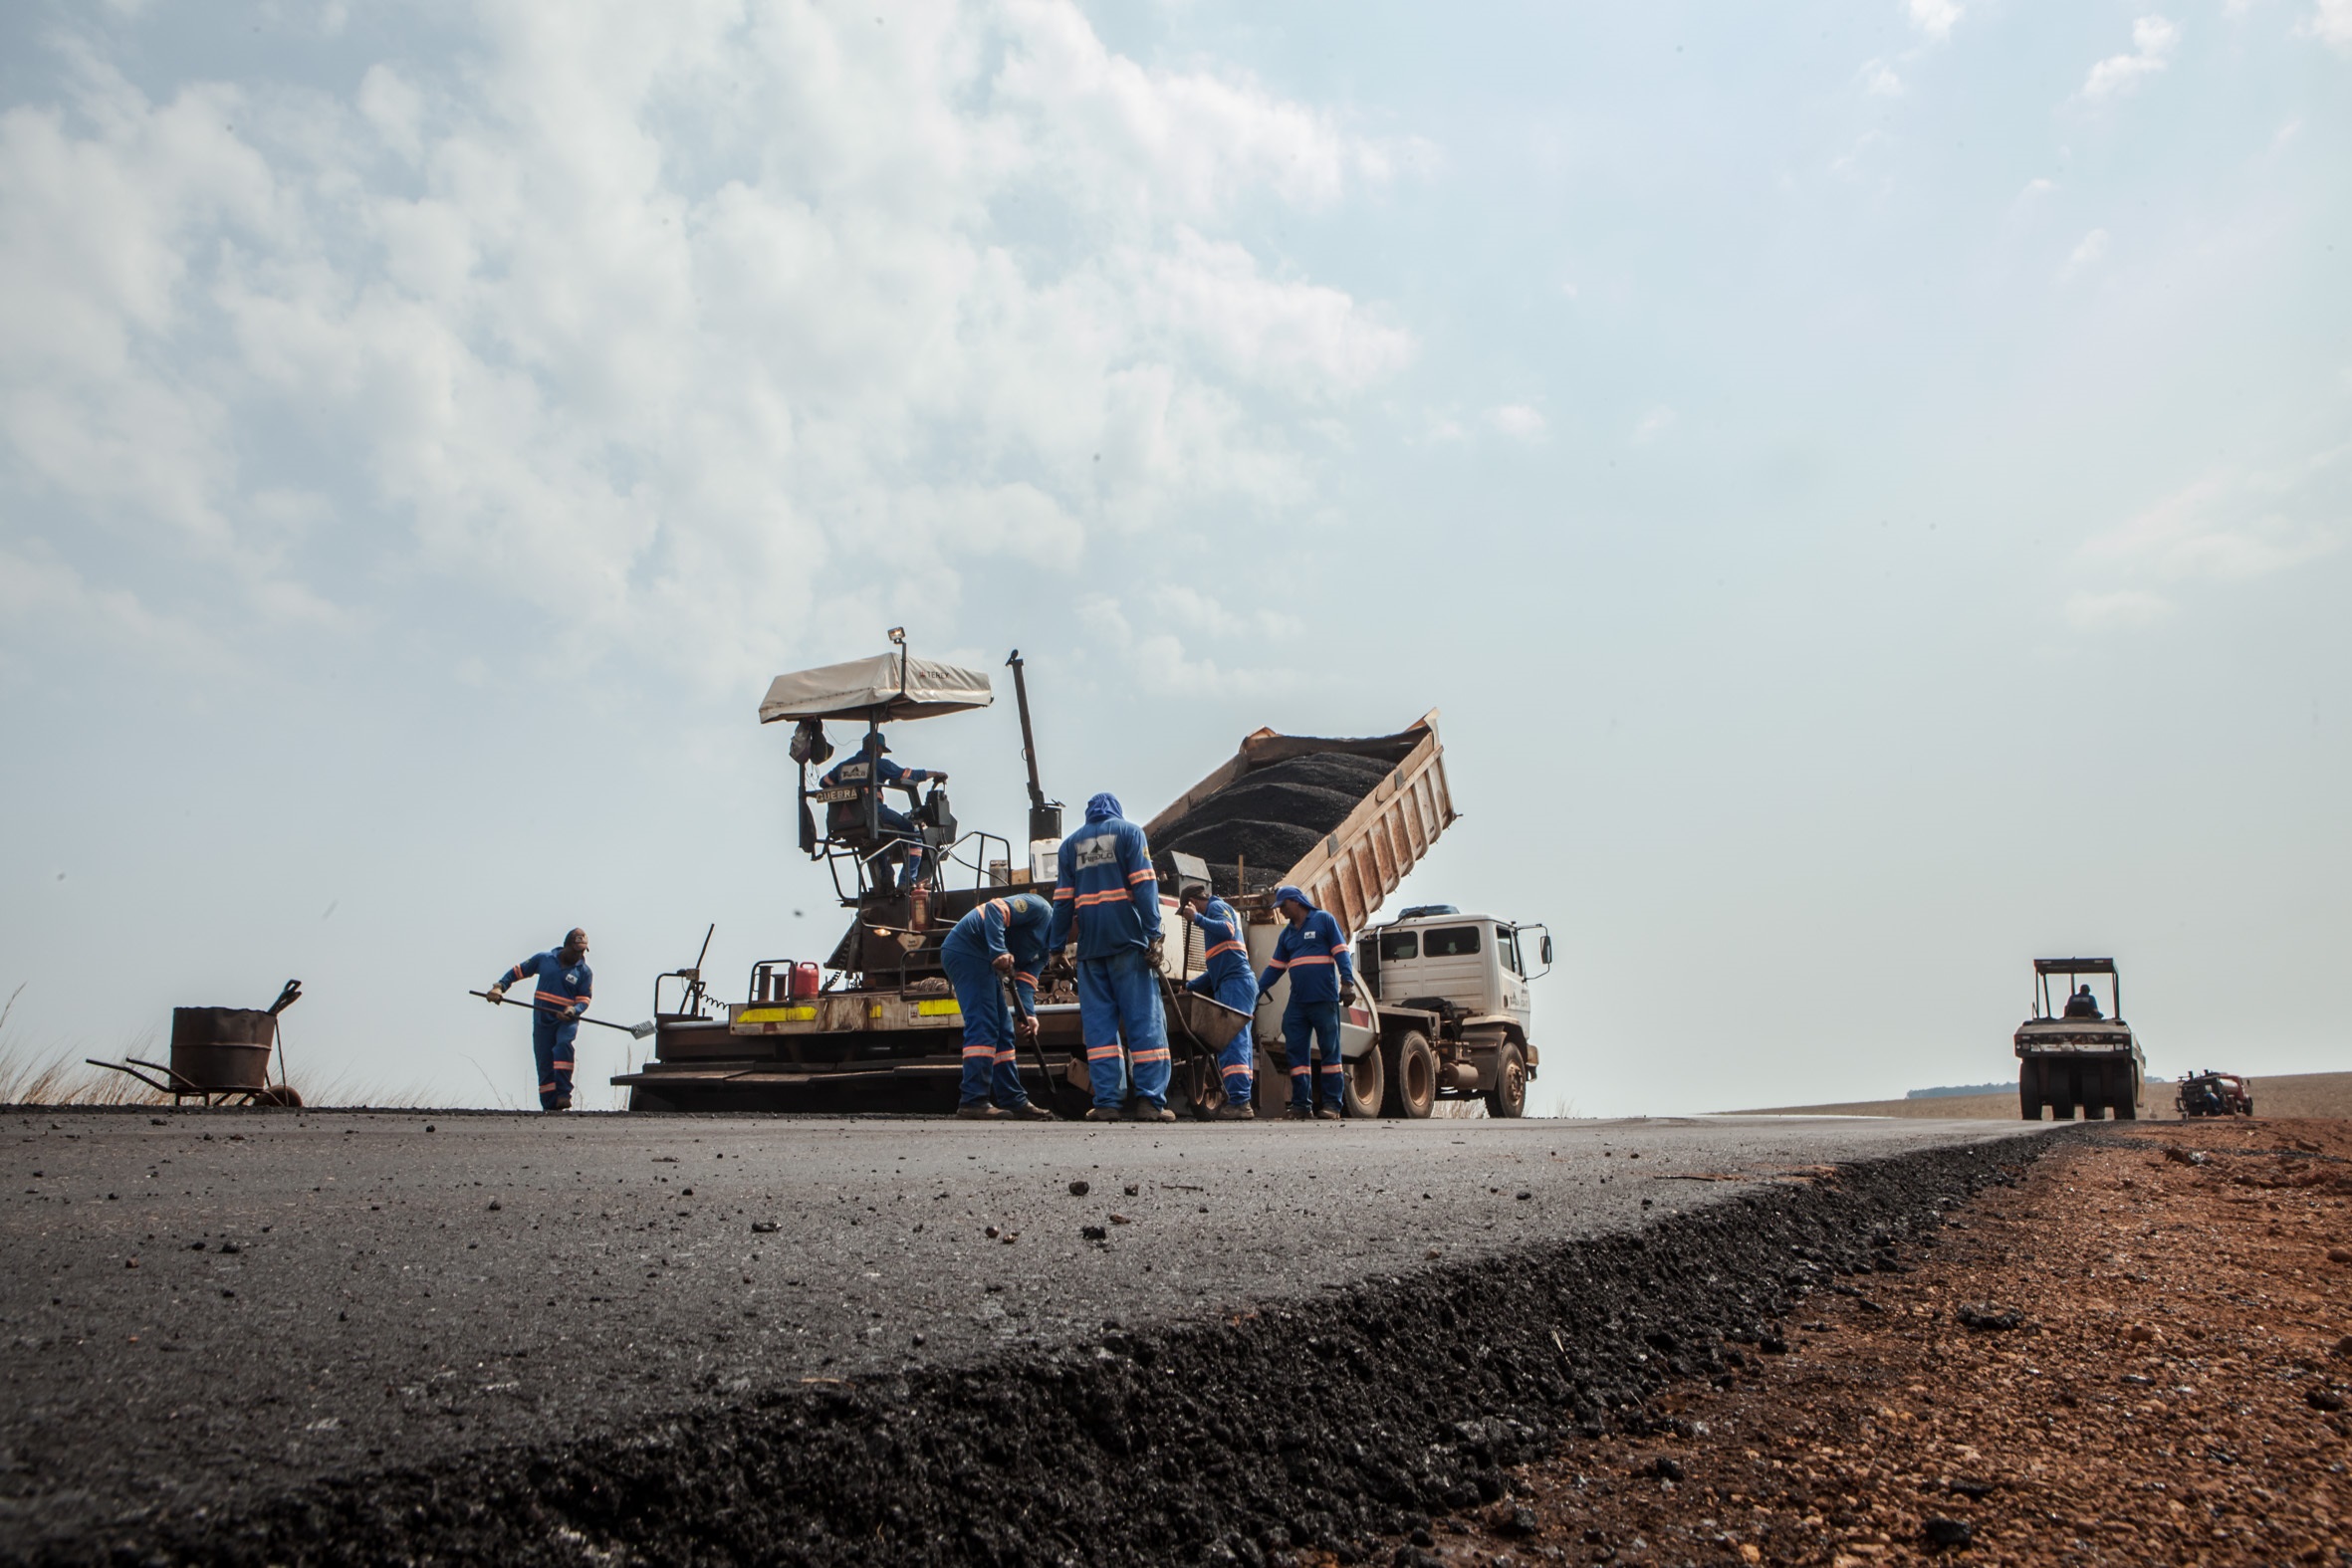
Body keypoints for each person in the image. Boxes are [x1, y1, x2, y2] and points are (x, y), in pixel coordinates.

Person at [1048, 792, 1173, 1122]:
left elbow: (1061, 902)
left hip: (1091, 952)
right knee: (1144, 1023)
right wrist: (1155, 935)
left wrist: (1056, 948)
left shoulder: (1069, 846)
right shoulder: (1130, 834)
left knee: (1100, 1029)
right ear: (1116, 811)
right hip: (1129, 946)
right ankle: (1149, 1102)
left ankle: (1106, 1103)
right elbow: (1145, 887)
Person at [939, 892, 1058, 1121]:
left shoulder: (1046, 951)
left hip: (984, 961)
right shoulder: (1040, 909)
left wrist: (1029, 1016)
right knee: (984, 1024)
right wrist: (999, 951)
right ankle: (973, 1100)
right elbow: (994, 909)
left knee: (1004, 1030)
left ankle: (1013, 1099)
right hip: (966, 949)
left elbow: (1025, 984)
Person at [1258, 886, 1357, 1120]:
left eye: (1282, 906)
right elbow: (1275, 968)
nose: (1280, 911)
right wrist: (1257, 990)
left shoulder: (1324, 920)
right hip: (1299, 1001)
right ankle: (1302, 1105)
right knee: (1295, 1050)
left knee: (1330, 1051)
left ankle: (1333, 1105)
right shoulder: (1287, 934)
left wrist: (1348, 982)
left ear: (1295, 902)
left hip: (1324, 999)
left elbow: (1342, 952)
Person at [819, 735, 947, 889]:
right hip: (874, 812)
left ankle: (886, 882)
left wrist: (847, 789)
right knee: (914, 833)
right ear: (878, 748)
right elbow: (908, 774)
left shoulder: (844, 766)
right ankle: (907, 881)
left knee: (880, 839)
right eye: (881, 750)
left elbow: (824, 782)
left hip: (845, 820)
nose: (881, 753)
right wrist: (935, 774)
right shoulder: (878, 764)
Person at [1178, 878, 1258, 1119]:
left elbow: (1227, 929)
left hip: (1236, 983)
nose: (1185, 916)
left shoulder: (1216, 907)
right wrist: (1189, 988)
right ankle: (1240, 1099)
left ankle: (1241, 1102)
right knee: (1234, 1041)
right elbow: (1214, 973)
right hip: (1228, 983)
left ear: (1192, 903)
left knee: (1232, 1040)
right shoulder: (1211, 919)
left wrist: (1197, 919)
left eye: (1185, 911)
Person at [487, 929, 592, 1112]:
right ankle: (550, 1106)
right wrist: (499, 987)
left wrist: (573, 1010)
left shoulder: (584, 971)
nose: (579, 955)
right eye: (575, 951)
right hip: (543, 1020)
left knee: (562, 1047)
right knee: (544, 1062)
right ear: (566, 946)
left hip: (566, 1021)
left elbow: (584, 999)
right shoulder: (544, 959)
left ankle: (563, 1094)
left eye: (582, 952)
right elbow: (517, 971)